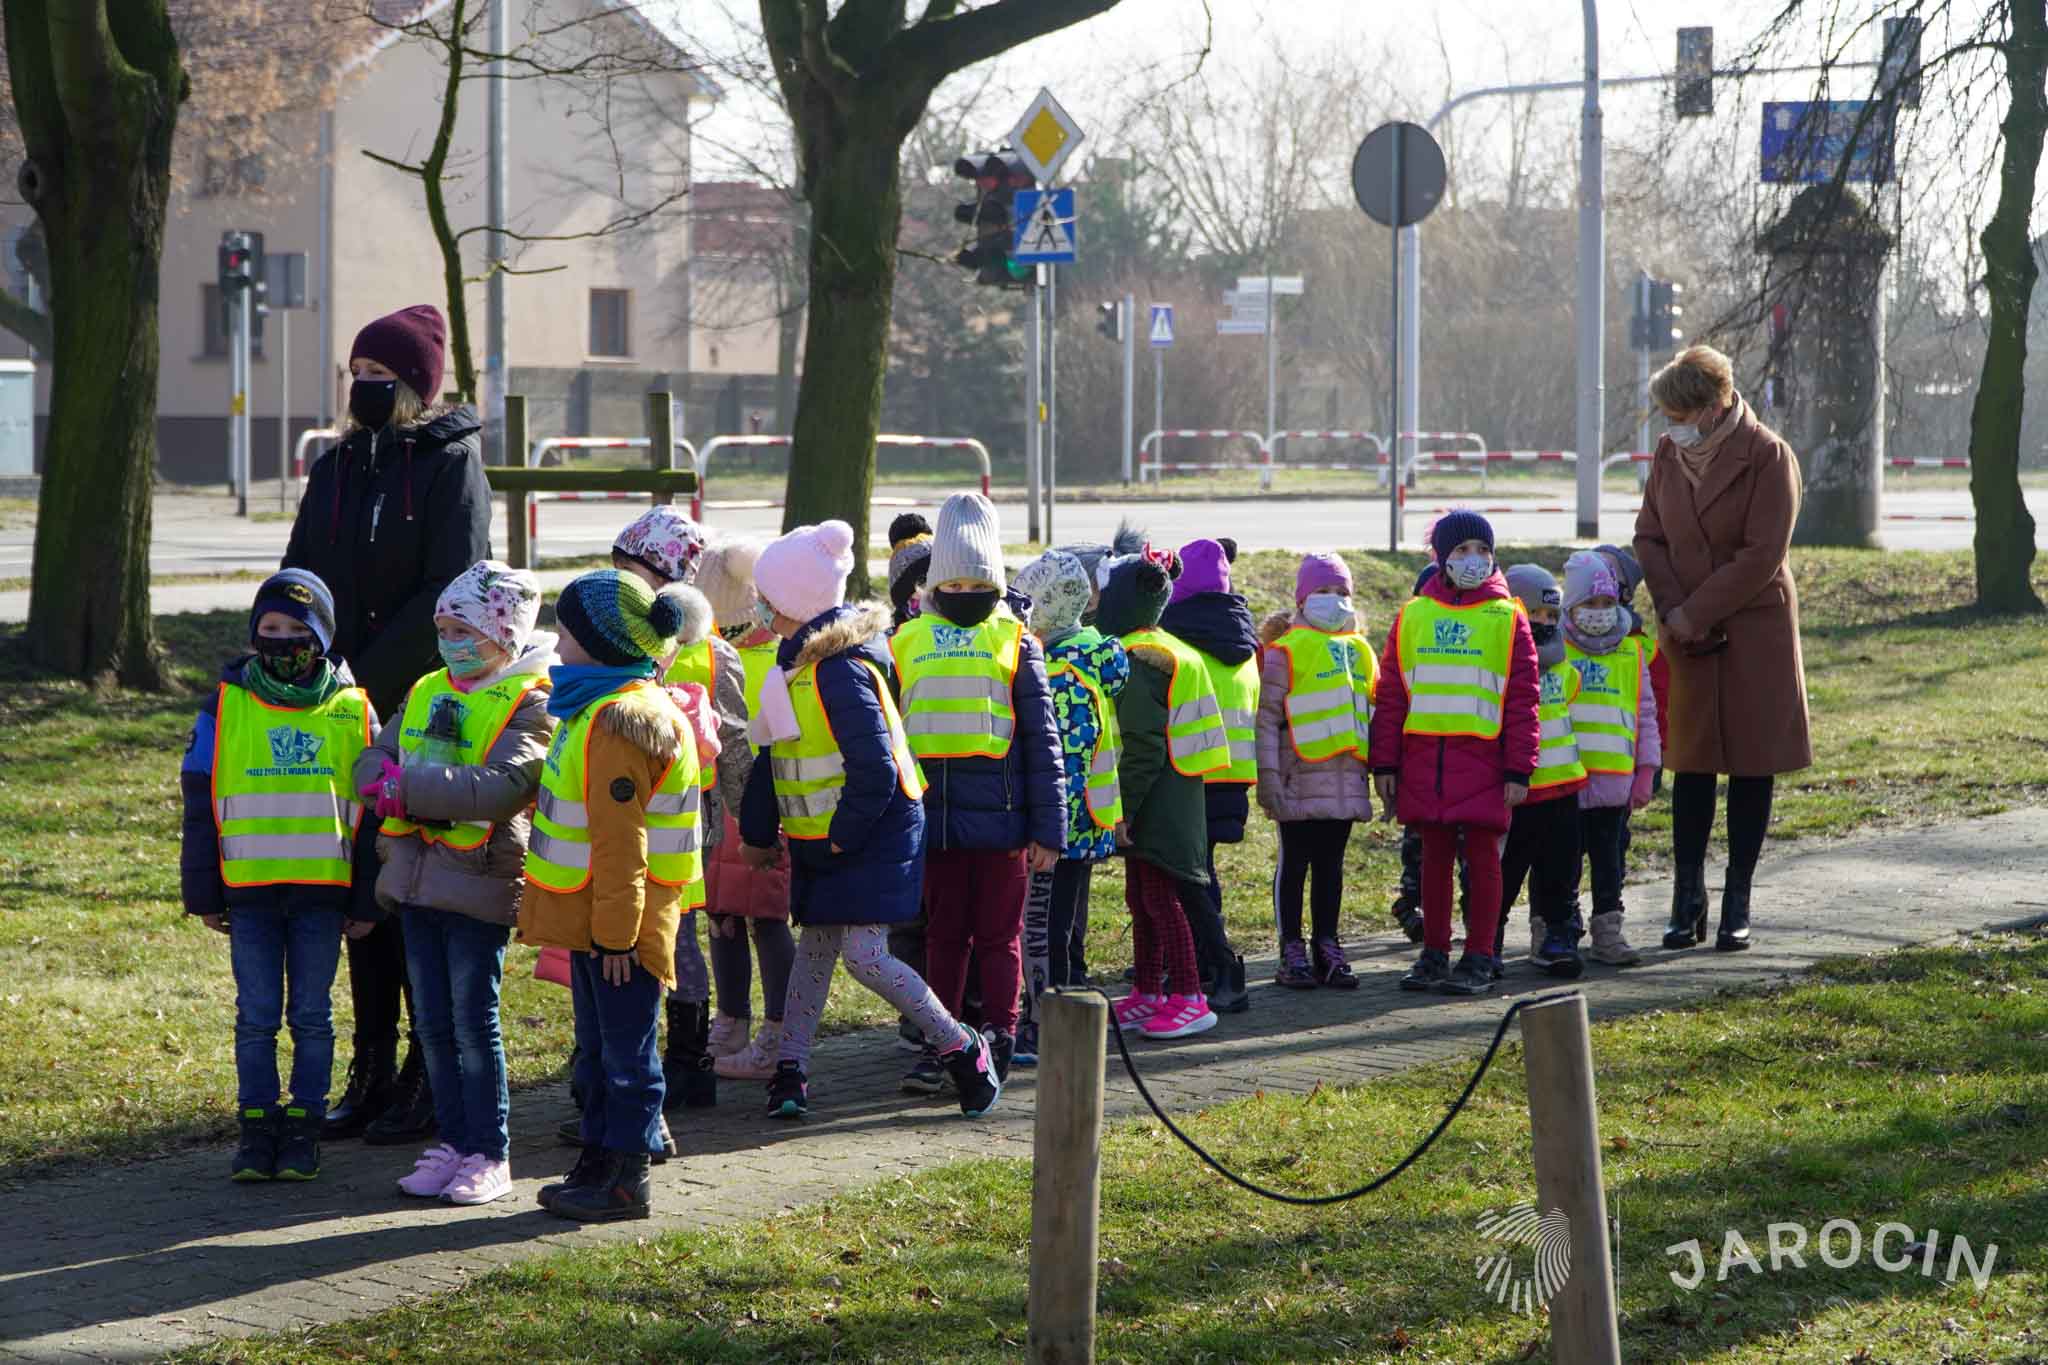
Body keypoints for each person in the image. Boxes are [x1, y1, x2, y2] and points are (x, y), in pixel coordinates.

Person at [286, 304, 491, 1146]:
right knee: (359, 890)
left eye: (382, 379)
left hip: (414, 702)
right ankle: (369, 1065)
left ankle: (423, 1069)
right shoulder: (336, 465)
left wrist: (372, 666)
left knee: (411, 885)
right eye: (357, 375)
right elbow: (301, 567)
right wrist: (309, 649)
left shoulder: (450, 466)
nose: (364, 390)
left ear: (414, 387)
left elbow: (456, 579)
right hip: (337, 701)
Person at [737, 521, 1002, 1120]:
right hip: (825, 840)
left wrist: (840, 838)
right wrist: (759, 835)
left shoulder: (839, 671)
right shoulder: (792, 668)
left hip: (869, 835)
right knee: (817, 947)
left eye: (767, 597)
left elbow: (877, 770)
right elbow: (768, 759)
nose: (758, 606)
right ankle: (791, 1070)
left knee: (862, 954)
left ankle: (961, 1046)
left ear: (792, 604)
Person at [353, 562, 555, 1205]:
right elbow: (378, 752)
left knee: (474, 1022)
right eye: (442, 627)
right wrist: (377, 775)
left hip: (476, 881)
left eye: (463, 628)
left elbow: (504, 787)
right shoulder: (426, 688)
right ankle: (451, 1141)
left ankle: (489, 1150)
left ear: (504, 635)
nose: (450, 641)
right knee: (434, 1024)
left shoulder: (530, 699)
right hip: (414, 879)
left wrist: (401, 791)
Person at [180, 570, 381, 1182]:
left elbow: (372, 814)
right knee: (257, 1015)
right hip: (250, 896)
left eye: (297, 630)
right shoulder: (224, 703)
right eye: (269, 628)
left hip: (324, 896)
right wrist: (204, 892)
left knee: (313, 1017)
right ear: (252, 633)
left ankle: (304, 1127)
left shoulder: (354, 708)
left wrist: (366, 897)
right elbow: (199, 798)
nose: (281, 639)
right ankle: (257, 1127)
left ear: (322, 636)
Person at [522, 571, 700, 1222]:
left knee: (627, 1057)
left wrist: (620, 936)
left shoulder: (622, 721)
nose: (557, 641)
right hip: (596, 917)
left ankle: (626, 1180)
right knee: (598, 1052)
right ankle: (596, 1161)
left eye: (566, 630)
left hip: (620, 925)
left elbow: (622, 845)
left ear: (597, 643)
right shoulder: (591, 705)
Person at [1634, 344, 1812, 952]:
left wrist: (1698, 610)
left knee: (1750, 764)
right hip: (1685, 626)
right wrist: (1672, 610)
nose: (1673, 428)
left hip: (1753, 629)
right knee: (1691, 763)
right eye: (1668, 418)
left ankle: (1738, 896)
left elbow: (1763, 553)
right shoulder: (1667, 455)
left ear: (1713, 407)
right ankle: (1688, 899)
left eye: (1681, 416)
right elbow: (1648, 535)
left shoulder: (1768, 456)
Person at [891, 493, 1064, 1088]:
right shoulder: (904, 642)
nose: (966, 591)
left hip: (1004, 828)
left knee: (998, 937)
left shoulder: (1017, 641)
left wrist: (1049, 830)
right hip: (933, 826)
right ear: (937, 581)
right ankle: (945, 1041)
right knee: (944, 939)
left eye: (977, 579)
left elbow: (1044, 743)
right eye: (954, 580)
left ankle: (1000, 1034)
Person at [611, 506, 749, 1111]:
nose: (621, 583)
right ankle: (617, 1049)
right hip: (623, 813)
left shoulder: (714, 654)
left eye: (633, 571)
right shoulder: (611, 638)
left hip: (693, 821)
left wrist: (752, 827)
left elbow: (738, 742)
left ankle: (689, 1057)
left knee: (680, 937)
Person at [1369, 511, 1541, 997]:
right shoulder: (1414, 615)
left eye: (1482, 550)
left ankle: (1481, 955)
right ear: (1441, 560)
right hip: (1425, 758)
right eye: (1462, 551)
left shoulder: (1509, 619)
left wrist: (1519, 767)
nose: (1474, 560)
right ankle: (1435, 953)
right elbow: (1391, 695)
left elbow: (1524, 701)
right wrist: (1384, 763)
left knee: (1485, 859)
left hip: (1486, 760)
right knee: (1433, 858)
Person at [1098, 550, 1227, 1040]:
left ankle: (1190, 996)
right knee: (1141, 897)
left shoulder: (1137, 659)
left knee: (1159, 898)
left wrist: (1122, 809)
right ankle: (1149, 991)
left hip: (1157, 800)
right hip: (1179, 790)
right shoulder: (1170, 646)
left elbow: (1143, 743)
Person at [1010, 549, 1130, 1065]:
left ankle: (1048, 1020)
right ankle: (1072, 1000)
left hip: (1057, 826)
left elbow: (1059, 756)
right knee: (1069, 922)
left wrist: (1042, 823)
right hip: (1091, 819)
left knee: (1044, 927)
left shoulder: (1056, 671)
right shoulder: (1097, 657)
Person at [692, 536, 798, 1083]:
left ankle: (777, 1028)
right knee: (722, 918)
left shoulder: (774, 663)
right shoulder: (710, 657)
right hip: (718, 812)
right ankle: (731, 1018)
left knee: (766, 919)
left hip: (761, 812)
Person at [1256, 552, 1376, 990]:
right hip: (1296, 779)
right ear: (1303, 599)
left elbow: (1373, 714)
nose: (1333, 600)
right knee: (1295, 863)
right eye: (1323, 592)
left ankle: (1328, 944)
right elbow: (1266, 718)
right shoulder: (1285, 651)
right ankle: (1291, 948)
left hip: (1345, 783)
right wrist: (1268, 779)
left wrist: (1383, 773)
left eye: (1341, 592)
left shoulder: (1360, 651)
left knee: (1332, 866)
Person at [1159, 538, 1257, 1013]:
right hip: (1232, 776)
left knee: (1191, 878)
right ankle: (1201, 961)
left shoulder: (1177, 636)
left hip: (1190, 775)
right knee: (1201, 873)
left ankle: (1217, 966)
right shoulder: (1243, 638)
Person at [1560, 551, 1660, 966]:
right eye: (1589, 605)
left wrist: (1646, 772)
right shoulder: (1555, 650)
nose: (1599, 613)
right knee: (1560, 867)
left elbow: (1646, 715)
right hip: (1564, 782)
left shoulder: (1631, 654)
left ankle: (1608, 933)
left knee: (1609, 865)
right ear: (1570, 607)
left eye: (1607, 604)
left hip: (1614, 786)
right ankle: (1556, 931)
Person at [1493, 564, 1589, 978]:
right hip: (1518, 793)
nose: (1545, 624)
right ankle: (1487, 939)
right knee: (1503, 873)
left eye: (1552, 616)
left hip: (1563, 788)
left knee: (1560, 872)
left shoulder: (1564, 668)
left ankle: (1556, 936)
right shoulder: (1501, 664)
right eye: (1536, 614)